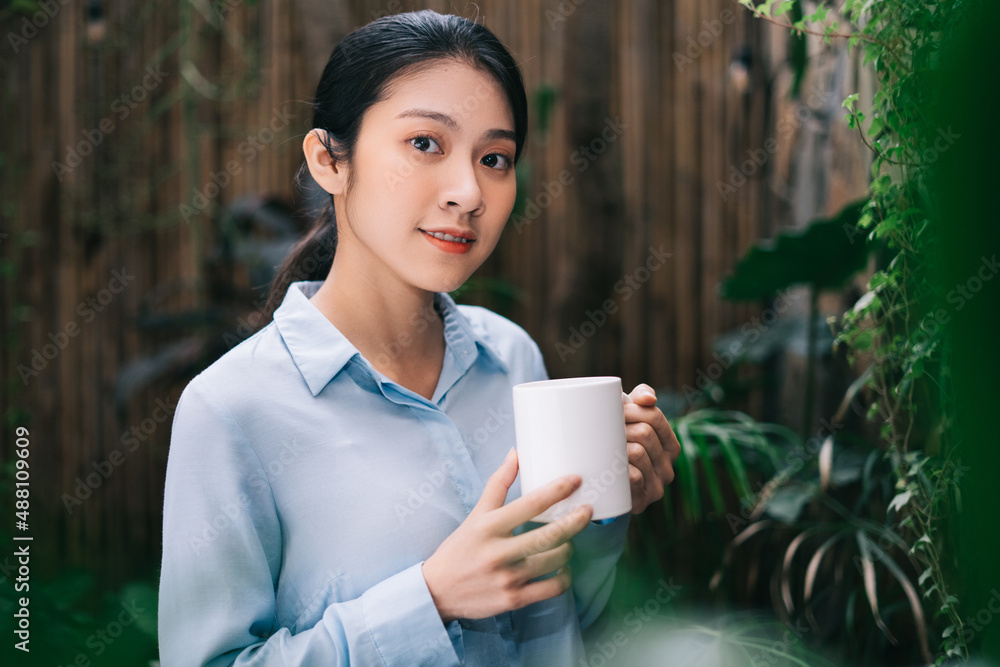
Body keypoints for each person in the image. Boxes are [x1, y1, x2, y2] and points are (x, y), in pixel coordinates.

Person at [158, 9, 680, 666]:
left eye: (495, 158)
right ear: (328, 160)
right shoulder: (232, 408)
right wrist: (429, 599)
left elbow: (569, 624)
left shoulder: (512, 358)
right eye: (426, 144)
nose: (468, 192)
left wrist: (606, 514)